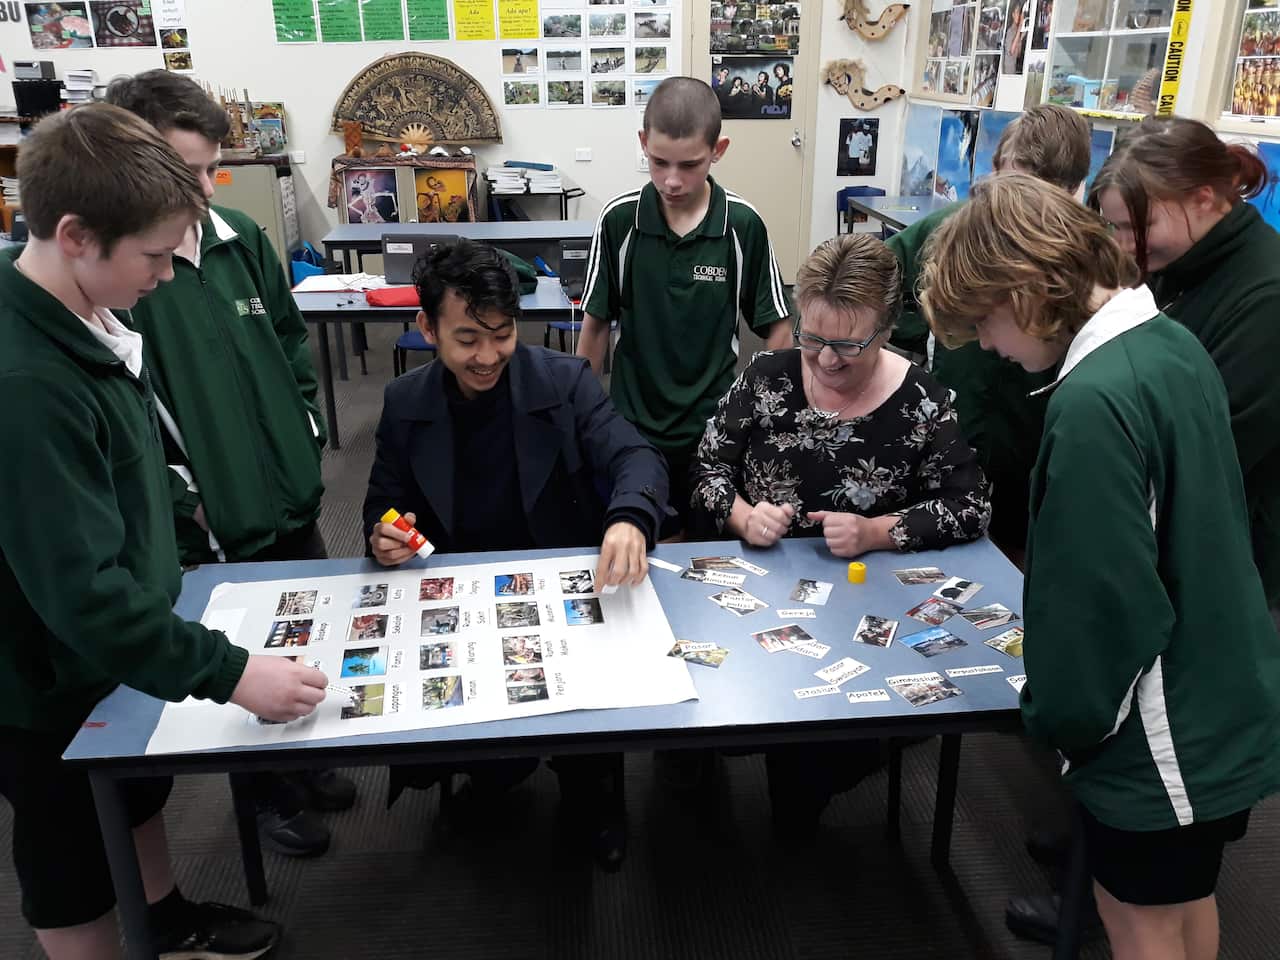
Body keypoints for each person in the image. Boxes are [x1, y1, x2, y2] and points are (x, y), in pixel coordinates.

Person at [920, 171, 1280, 960]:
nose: (988, 346)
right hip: (1224, 692)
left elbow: (1104, 608)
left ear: (1025, 290)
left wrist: (1061, 722)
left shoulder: (1091, 404)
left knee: (1138, 919)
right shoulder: (1170, 343)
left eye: (984, 320)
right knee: (1184, 903)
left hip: (1160, 726)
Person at [0, 102, 328, 960]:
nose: (167, 274)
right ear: (76, 236)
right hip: (40, 678)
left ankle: (164, 917)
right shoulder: (26, 382)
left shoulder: (89, 313)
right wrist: (231, 674)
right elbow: (82, 595)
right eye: (153, 256)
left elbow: (134, 471)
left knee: (136, 796)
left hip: (114, 642)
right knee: (68, 852)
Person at [104, 70, 357, 859]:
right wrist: (184, 500)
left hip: (287, 490)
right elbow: (129, 413)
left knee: (311, 631)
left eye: (214, 168)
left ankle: (309, 762)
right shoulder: (129, 271)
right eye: (187, 172)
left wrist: (306, 425)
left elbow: (288, 339)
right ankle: (265, 793)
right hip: (214, 519)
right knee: (241, 654)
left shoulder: (239, 236)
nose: (206, 189)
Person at [364, 239, 668, 871]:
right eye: (467, 339)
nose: (487, 357)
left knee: (587, 726)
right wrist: (386, 533)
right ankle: (495, 769)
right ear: (427, 327)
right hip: (461, 594)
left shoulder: (565, 381)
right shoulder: (405, 401)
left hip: (558, 584)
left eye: (502, 336)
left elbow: (636, 458)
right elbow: (383, 504)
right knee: (487, 743)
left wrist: (628, 518)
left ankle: (593, 791)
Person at [689, 233, 990, 836]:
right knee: (715, 722)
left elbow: (971, 505)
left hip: (865, 599)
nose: (827, 360)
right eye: (813, 338)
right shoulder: (767, 377)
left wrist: (877, 531)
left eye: (849, 345)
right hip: (761, 590)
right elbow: (707, 468)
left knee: (811, 755)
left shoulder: (923, 401)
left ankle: (807, 802)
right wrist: (742, 515)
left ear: (887, 329)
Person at [577, 77, 792, 534]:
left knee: (710, 551)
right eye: (659, 162)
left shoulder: (743, 225)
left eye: (690, 165)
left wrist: (757, 416)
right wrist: (582, 417)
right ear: (643, 143)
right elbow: (595, 325)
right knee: (635, 543)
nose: (672, 181)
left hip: (714, 432)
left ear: (718, 150)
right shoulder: (619, 221)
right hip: (633, 428)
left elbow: (778, 330)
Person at [1091, 116, 1280, 621]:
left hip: (1235, 565)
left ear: (1203, 199)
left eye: (1140, 226)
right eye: (1115, 226)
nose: (1125, 244)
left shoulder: (1265, 298)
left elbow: (1215, 453)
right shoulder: (1176, 266)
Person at [887, 103, 1091, 563]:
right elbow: (874, 278)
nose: (1020, 213)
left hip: (1033, 444)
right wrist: (929, 328)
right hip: (956, 427)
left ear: (1072, 190)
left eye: (1039, 196)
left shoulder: (1083, 251)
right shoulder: (955, 226)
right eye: (1012, 186)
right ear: (996, 168)